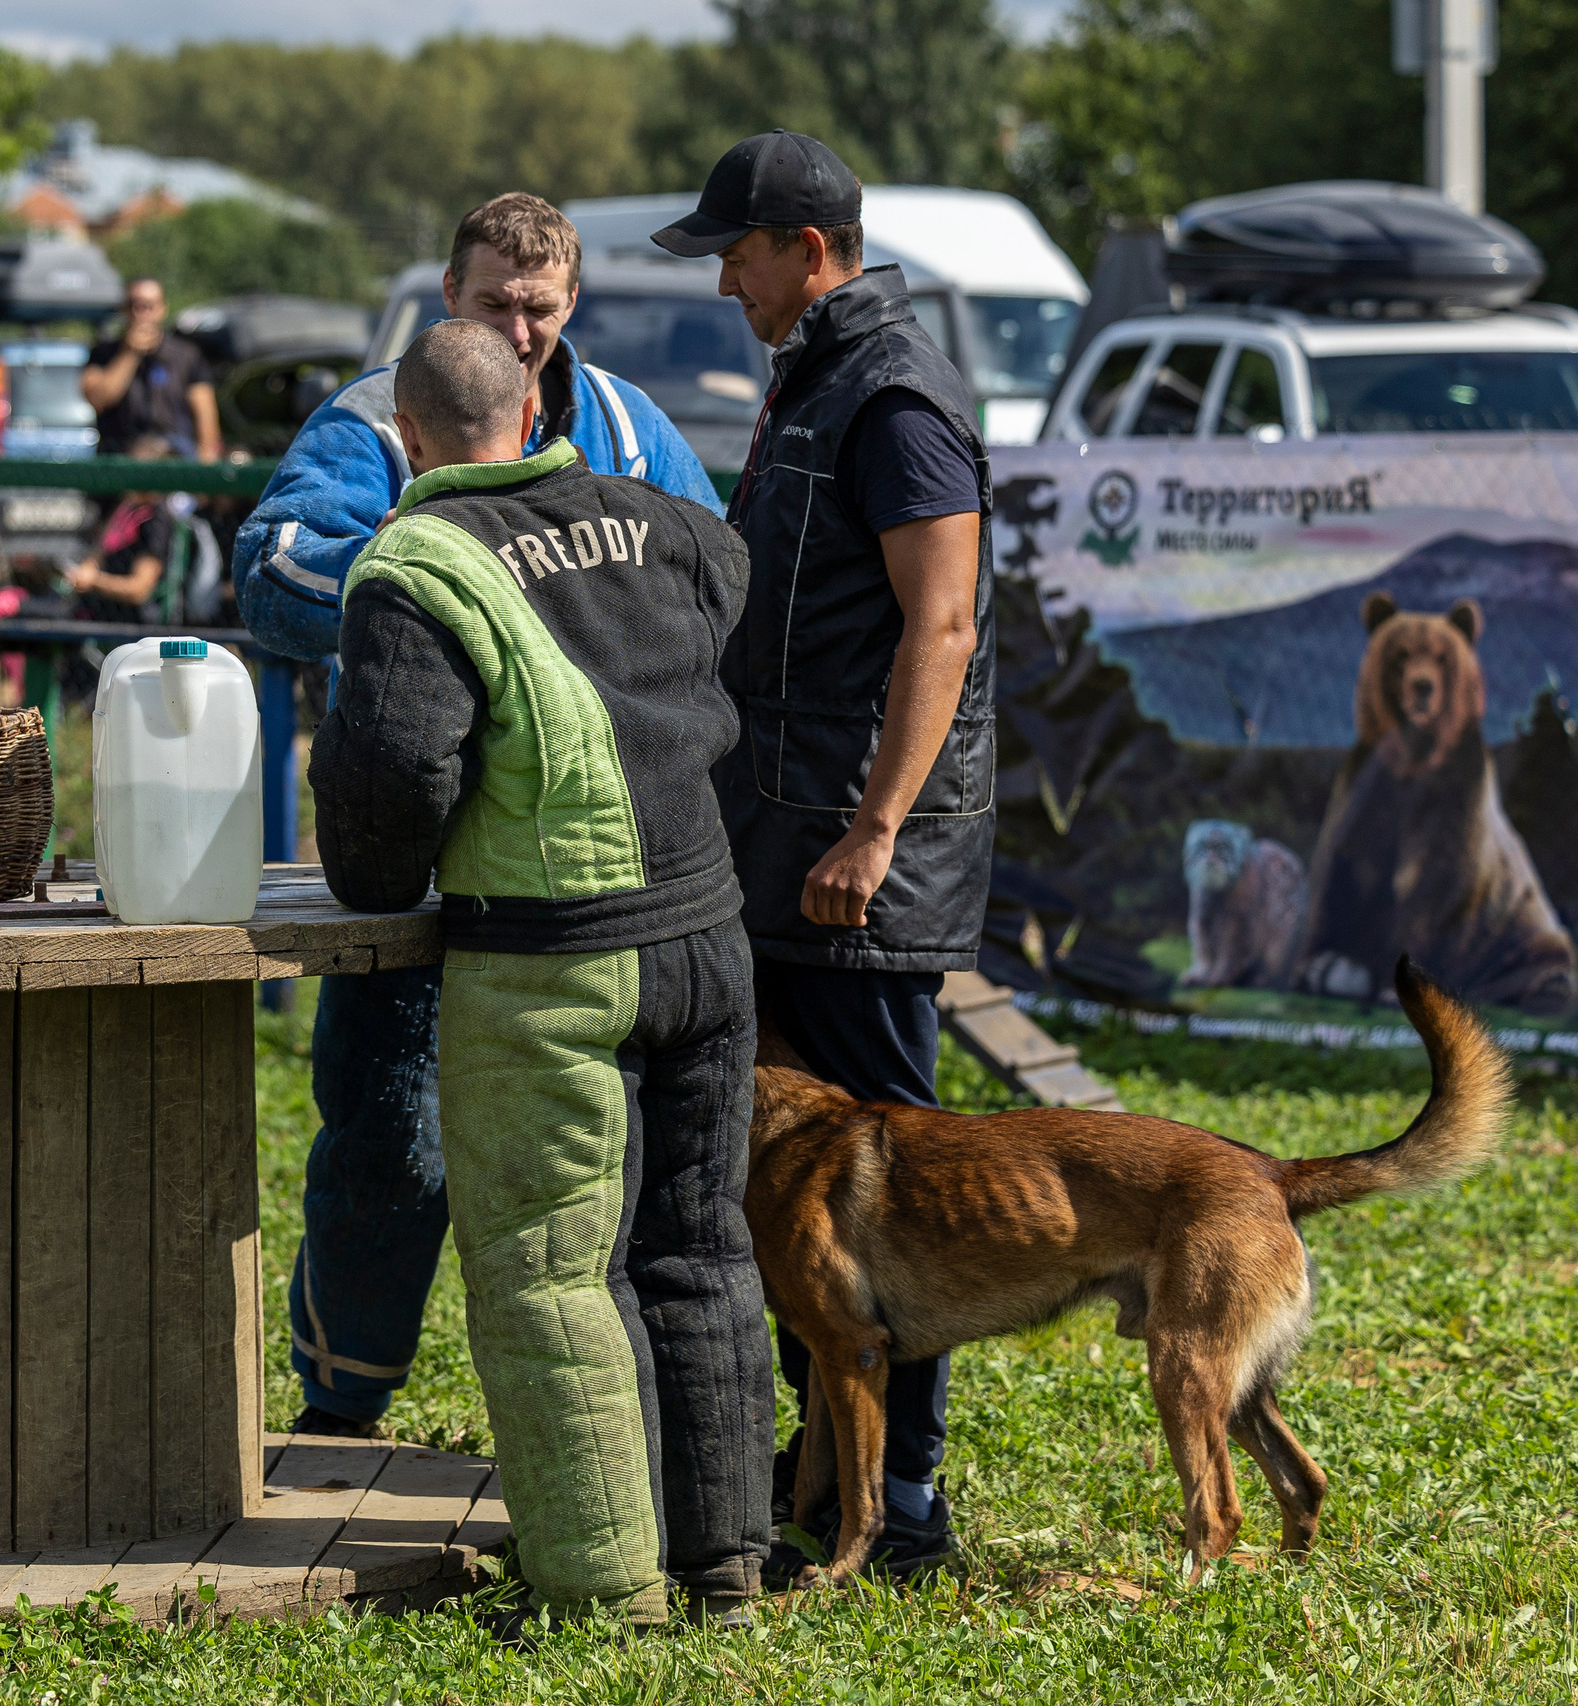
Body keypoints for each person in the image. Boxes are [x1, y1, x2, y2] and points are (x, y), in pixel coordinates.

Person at [231, 192, 722, 1444]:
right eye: (495, 300)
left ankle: (604, 1427)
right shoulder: (372, 419)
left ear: (571, 307)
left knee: (598, 1161)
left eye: (540, 306)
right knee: (392, 1143)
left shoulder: (629, 424)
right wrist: (445, 593)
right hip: (416, 836)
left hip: (585, 867)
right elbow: (275, 571)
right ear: (450, 295)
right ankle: (341, 1404)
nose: (518, 324)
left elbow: (713, 570)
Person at [310, 318, 766, 1629]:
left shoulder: (416, 560)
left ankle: (604, 1592)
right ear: (535, 410)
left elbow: (396, 783)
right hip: (708, 940)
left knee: (553, 1269)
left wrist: (376, 876)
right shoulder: (656, 518)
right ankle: (726, 1569)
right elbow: (736, 626)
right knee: (698, 1252)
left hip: (554, 960)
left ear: (404, 436)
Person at [652, 129, 996, 1585]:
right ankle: (821, 1486)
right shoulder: (817, 378)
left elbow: (942, 627)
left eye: (735, 250)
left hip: (862, 872)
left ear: (808, 246)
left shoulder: (897, 398)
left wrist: (874, 831)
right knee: (796, 1212)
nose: (723, 276)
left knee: (890, 1212)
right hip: (788, 850)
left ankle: (903, 1508)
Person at [81, 278, 220, 460]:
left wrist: (206, 462)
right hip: (118, 456)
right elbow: (98, 399)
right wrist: (129, 355)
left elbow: (205, 411)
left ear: (162, 308)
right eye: (134, 305)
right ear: (124, 309)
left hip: (174, 454)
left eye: (149, 305)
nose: (141, 312)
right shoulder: (103, 353)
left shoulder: (186, 354)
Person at [63, 439, 173, 625]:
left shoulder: (156, 521)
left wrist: (94, 581)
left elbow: (139, 590)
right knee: (10, 603)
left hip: (128, 620)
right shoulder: (126, 506)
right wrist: (84, 571)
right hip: (92, 606)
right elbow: (99, 550)